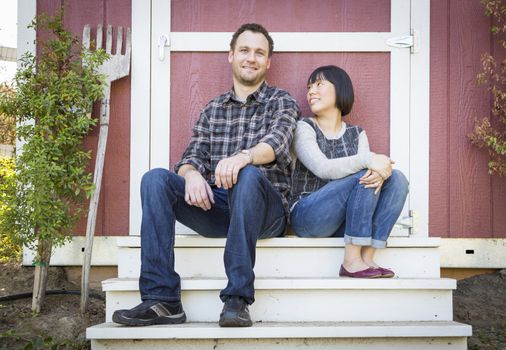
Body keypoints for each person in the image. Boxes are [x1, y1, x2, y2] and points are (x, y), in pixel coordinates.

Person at [112, 23, 300, 328]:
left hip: (267, 212)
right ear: (231, 55)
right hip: (220, 208)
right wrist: (191, 175)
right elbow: (191, 157)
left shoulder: (282, 101)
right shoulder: (213, 109)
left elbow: (276, 143)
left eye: (259, 53)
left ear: (268, 62)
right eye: (244, 50)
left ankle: (237, 299)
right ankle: (162, 300)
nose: (250, 58)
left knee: (249, 174)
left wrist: (244, 157)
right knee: (155, 180)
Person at [289, 65, 409, 278]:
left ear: (340, 90)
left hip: (344, 221)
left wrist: (381, 173)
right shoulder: (304, 127)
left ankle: (367, 257)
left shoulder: (357, 134)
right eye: (309, 87)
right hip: (308, 216)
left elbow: (368, 175)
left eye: (319, 84)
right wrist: (370, 160)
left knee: (397, 178)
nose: (311, 92)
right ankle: (351, 261)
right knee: (363, 174)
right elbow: (322, 168)